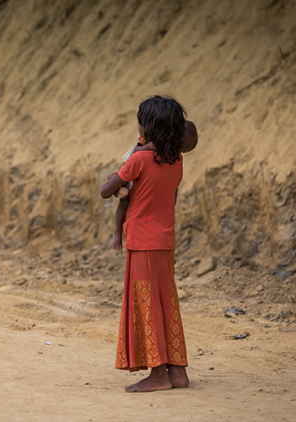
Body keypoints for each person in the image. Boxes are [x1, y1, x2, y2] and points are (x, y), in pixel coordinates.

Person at [101, 95, 195, 392]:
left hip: (142, 242)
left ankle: (158, 375)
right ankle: (177, 371)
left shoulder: (139, 160)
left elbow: (106, 192)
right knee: (165, 303)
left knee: (146, 304)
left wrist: (117, 174)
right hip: (165, 241)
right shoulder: (176, 160)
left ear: (147, 128)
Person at [111, 120, 198, 250]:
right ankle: (117, 231)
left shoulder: (174, 157)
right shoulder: (150, 140)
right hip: (130, 174)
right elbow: (135, 152)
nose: (178, 152)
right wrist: (146, 148)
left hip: (144, 189)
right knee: (124, 202)